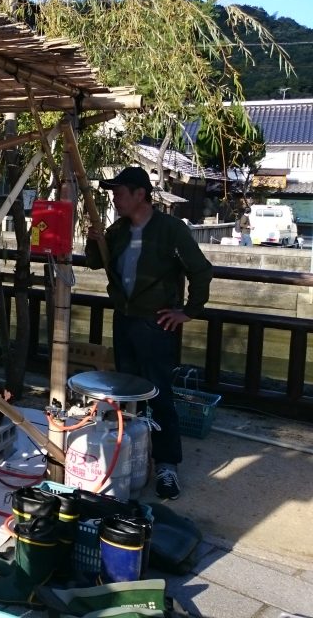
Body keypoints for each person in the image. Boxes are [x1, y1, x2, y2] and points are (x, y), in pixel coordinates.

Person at [85, 166, 212, 501]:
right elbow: (96, 262)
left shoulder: (170, 229)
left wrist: (189, 311)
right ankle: (131, 455)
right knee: (127, 391)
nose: (115, 199)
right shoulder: (118, 230)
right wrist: (93, 239)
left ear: (140, 194)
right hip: (125, 319)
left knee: (159, 392)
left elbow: (201, 270)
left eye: (120, 192)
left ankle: (167, 464)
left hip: (156, 323)